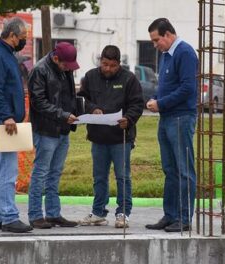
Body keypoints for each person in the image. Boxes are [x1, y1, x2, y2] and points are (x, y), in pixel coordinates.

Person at [77, 45, 144, 228]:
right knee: (99, 176)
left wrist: (128, 119)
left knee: (123, 177)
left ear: (119, 64)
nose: (108, 69)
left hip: (121, 138)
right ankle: (98, 212)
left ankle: (123, 213)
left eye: (112, 65)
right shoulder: (90, 77)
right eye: (105, 64)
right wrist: (92, 109)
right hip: (98, 137)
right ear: (100, 61)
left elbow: (137, 104)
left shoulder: (129, 79)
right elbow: (82, 100)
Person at [145, 18, 198, 232]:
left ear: (168, 35)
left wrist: (161, 103)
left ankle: (184, 218)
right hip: (166, 118)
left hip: (181, 118)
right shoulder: (166, 55)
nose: (155, 45)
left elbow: (187, 88)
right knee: (170, 169)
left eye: (157, 40)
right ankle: (170, 215)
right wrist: (155, 98)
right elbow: (166, 85)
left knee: (184, 169)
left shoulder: (184, 53)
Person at [0, 17, 32, 233]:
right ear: (12, 35)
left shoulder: (5, 54)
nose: (24, 42)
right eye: (22, 38)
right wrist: (7, 116)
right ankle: (9, 217)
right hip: (2, 123)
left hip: (2, 120)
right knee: (7, 171)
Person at [27, 42, 80, 229]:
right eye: (66, 64)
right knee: (41, 172)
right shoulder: (39, 70)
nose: (68, 69)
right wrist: (64, 115)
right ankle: (35, 215)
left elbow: (68, 95)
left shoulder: (65, 69)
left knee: (55, 173)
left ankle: (53, 213)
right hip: (46, 130)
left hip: (63, 129)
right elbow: (38, 102)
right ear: (56, 58)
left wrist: (76, 111)